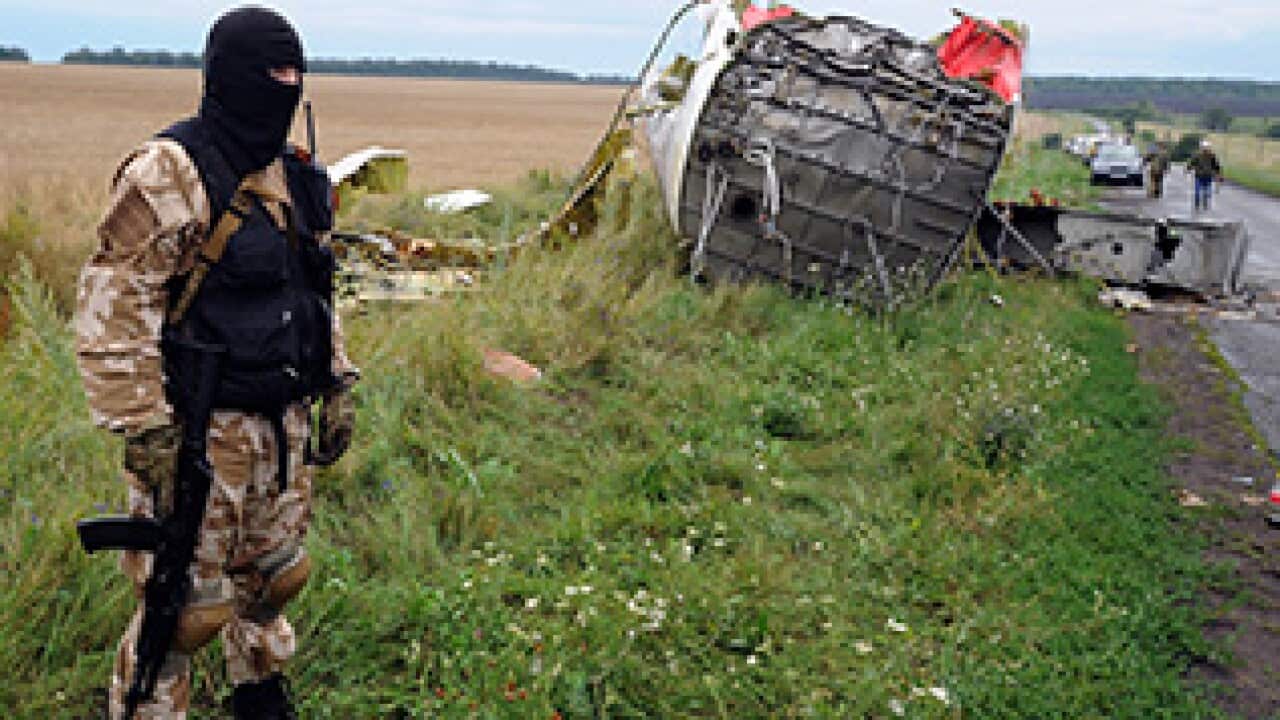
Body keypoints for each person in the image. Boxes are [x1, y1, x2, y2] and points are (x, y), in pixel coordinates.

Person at [73, 7, 358, 719]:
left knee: (274, 579)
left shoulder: (294, 174)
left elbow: (316, 290)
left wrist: (337, 384)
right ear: (229, 75)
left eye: (297, 73)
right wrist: (145, 428)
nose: (286, 86)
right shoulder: (169, 171)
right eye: (272, 74)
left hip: (283, 427)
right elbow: (115, 306)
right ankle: (145, 707)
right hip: (204, 434)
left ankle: (258, 693)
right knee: (183, 612)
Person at [1188, 139, 1223, 212]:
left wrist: (1218, 176)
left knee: (1206, 192)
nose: (1205, 150)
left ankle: (1205, 203)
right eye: (1204, 148)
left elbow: (1217, 167)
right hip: (1199, 176)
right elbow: (1191, 164)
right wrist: (1190, 167)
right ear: (1201, 148)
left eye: (1207, 148)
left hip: (1208, 176)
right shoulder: (1197, 156)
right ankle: (1197, 204)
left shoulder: (1212, 157)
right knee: (1197, 192)